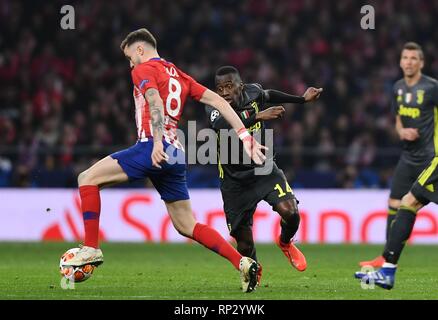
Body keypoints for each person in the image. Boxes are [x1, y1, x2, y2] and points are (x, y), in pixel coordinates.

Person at [64, 28, 268, 293]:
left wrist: (157, 141)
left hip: (153, 147)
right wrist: (245, 136)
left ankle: (91, 248)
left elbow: (154, 100)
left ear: (140, 50)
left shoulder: (143, 69)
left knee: (87, 179)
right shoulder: (179, 75)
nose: (130, 64)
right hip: (176, 154)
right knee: (186, 225)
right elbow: (218, 100)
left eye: (129, 57)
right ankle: (242, 262)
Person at [205, 66, 322, 284]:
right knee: (244, 244)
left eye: (229, 86)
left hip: (262, 168)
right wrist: (258, 115)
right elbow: (221, 125)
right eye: (219, 88)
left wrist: (301, 100)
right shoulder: (212, 104)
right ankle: (254, 268)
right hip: (234, 181)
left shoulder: (253, 92)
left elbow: (269, 95)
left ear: (240, 85)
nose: (224, 93)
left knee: (291, 213)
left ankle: (285, 242)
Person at [355, 43, 438, 290]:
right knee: (401, 203)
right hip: (408, 157)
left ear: (421, 63)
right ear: (401, 62)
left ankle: (388, 266)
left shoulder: (432, 88)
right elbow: (398, 121)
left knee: (408, 203)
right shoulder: (398, 89)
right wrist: (403, 132)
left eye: (414, 58)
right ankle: (387, 261)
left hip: (431, 158)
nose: (410, 62)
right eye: (405, 57)